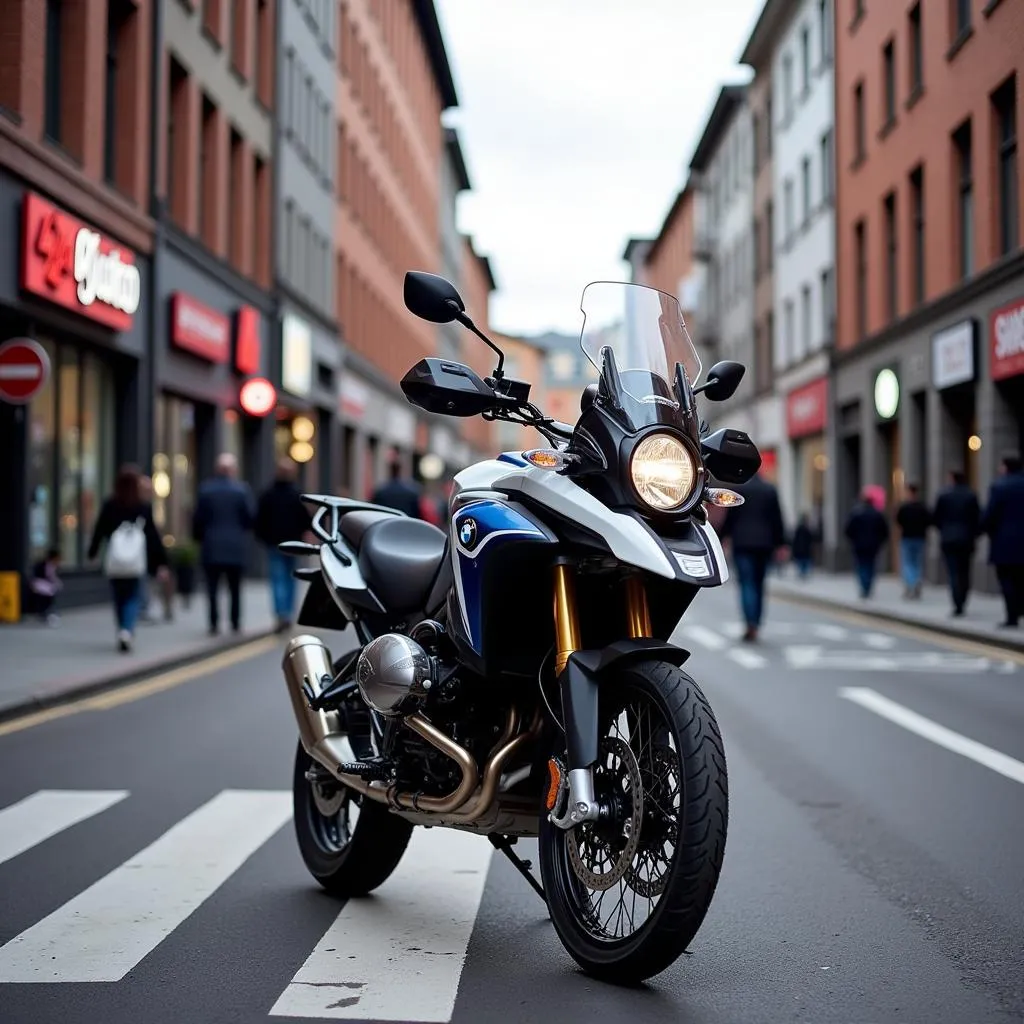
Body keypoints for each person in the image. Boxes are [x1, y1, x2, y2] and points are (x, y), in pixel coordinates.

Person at [88, 464, 168, 652]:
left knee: (119, 597)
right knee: (133, 597)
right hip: (136, 562)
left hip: (115, 561)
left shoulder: (110, 504)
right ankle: (127, 629)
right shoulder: (142, 507)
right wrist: (161, 564)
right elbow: (153, 537)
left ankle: (122, 628)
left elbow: (99, 530)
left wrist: (92, 552)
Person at [719, 470, 787, 642]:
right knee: (759, 584)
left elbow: (730, 519)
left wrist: (721, 538)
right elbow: (777, 519)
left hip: (742, 544)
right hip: (764, 544)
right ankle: (756, 622)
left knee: (746, 584)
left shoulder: (739, 490)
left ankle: (749, 623)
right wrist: (781, 543)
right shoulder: (770, 490)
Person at [192, 453, 255, 635]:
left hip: (211, 546)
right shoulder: (241, 490)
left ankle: (213, 623)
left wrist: (199, 539)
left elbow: (197, 520)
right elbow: (250, 518)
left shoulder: (206, 490)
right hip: (235, 546)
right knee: (235, 588)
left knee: (212, 588)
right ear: (233, 470)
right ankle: (235, 622)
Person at [255, 458, 313, 632]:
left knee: (277, 578)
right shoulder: (297, 494)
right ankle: (287, 613)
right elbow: (306, 520)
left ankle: (281, 613)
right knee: (290, 580)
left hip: (275, 544)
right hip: (293, 544)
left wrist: (264, 538)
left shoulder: (268, 494)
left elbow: (259, 520)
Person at [981, 453, 1024, 628]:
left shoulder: (999, 486)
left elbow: (990, 514)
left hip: (1003, 542)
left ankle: (1012, 615)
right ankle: (1019, 607)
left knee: (1006, 578)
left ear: (1006, 467)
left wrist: (982, 529)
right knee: (1021, 577)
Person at [932, 469, 981, 617]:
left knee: (953, 572)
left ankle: (957, 603)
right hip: (966, 539)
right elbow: (977, 517)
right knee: (965, 571)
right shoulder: (971, 495)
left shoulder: (944, 495)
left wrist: (944, 530)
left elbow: (936, 518)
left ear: (952, 479)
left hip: (949, 539)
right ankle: (963, 599)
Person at [844, 487, 890, 599]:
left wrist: (853, 540)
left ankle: (864, 586)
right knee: (871, 565)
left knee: (861, 566)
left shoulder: (856, 514)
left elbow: (848, 530)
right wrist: (880, 542)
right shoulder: (877, 514)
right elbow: (884, 531)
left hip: (859, 545)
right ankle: (868, 585)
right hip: (873, 545)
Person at [895, 483, 930, 599]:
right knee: (917, 562)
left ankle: (911, 584)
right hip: (920, 538)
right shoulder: (922, 507)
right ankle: (916, 581)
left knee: (908, 563)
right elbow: (928, 521)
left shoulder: (904, 507)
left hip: (907, 538)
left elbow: (898, 521)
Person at [29, 548, 63, 626]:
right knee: (48, 597)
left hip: (44, 585)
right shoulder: (47, 565)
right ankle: (46, 612)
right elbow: (50, 576)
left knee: (49, 596)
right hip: (40, 585)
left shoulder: (50, 565)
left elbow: (52, 577)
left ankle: (46, 612)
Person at [790, 513, 816, 579]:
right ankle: (803, 573)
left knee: (802, 561)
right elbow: (811, 539)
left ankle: (802, 573)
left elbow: (794, 540)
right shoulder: (807, 530)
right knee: (804, 561)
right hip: (805, 549)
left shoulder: (798, 530)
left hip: (801, 549)